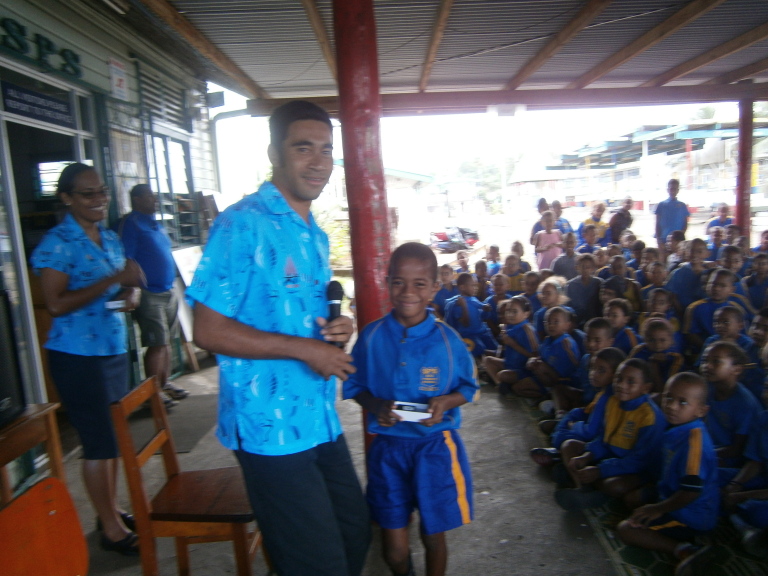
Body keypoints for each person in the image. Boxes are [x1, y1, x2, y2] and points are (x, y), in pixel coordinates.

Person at [186, 100, 370, 576]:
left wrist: (337, 326)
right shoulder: (240, 223)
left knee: (354, 534)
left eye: (326, 150)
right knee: (318, 562)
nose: (318, 161)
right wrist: (302, 348)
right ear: (275, 153)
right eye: (303, 147)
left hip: (317, 417)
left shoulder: (313, 231)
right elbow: (207, 329)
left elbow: (303, 313)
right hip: (269, 428)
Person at [30, 162, 144, 555]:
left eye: (103, 192)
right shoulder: (57, 243)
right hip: (77, 356)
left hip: (112, 349)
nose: (99, 200)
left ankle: (109, 510)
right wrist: (114, 281)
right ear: (66, 198)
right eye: (88, 194)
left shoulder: (110, 238)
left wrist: (131, 295)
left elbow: (128, 283)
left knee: (112, 439)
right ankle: (110, 530)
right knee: (98, 442)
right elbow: (56, 304)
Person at [343, 242, 477, 576]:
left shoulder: (448, 341)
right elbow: (355, 386)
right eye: (399, 282)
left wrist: (445, 401)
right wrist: (376, 405)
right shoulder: (371, 337)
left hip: (435, 449)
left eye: (420, 284)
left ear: (434, 288)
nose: (408, 292)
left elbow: (468, 387)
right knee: (395, 552)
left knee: (433, 538)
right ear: (387, 283)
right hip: (388, 451)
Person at [616, 373, 718, 576]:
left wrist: (658, 508)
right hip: (670, 493)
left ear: (701, 411)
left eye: (682, 402)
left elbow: (690, 492)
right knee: (631, 499)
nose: (672, 406)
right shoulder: (678, 427)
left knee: (626, 529)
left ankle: (685, 549)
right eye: (668, 398)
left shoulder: (694, 442)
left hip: (690, 514)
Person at [556, 358, 666, 510]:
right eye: (618, 378)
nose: (621, 385)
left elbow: (640, 460)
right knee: (569, 446)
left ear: (645, 388)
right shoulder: (613, 401)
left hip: (637, 468)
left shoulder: (649, 417)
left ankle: (584, 482)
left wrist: (600, 470)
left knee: (614, 486)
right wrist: (587, 456)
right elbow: (604, 438)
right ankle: (583, 487)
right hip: (610, 455)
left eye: (630, 382)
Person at [118, 183, 188, 405]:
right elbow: (126, 258)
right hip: (148, 293)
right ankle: (152, 394)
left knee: (167, 341)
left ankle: (164, 384)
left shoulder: (155, 224)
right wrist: (133, 287)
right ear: (136, 199)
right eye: (149, 196)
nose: (154, 200)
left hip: (167, 289)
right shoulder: (131, 224)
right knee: (156, 343)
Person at [700, 341, 761, 468]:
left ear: (737, 369)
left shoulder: (745, 404)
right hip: (708, 449)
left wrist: (704, 453)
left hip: (730, 461)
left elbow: (737, 449)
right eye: (705, 360)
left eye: (716, 361)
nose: (707, 366)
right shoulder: (707, 389)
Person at [483, 295, 539, 397]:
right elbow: (502, 350)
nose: (510, 315)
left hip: (522, 370)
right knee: (488, 360)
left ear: (526, 314)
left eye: (514, 312)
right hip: (509, 363)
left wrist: (513, 344)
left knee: (503, 375)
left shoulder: (527, 329)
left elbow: (535, 356)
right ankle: (501, 385)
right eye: (508, 311)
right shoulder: (510, 326)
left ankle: (505, 384)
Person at [655, 179, 690, 258]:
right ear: (667, 190)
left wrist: (680, 238)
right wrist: (659, 241)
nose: (673, 191)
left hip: (678, 241)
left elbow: (685, 224)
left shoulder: (682, 205)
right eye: (671, 188)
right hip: (663, 240)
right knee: (664, 260)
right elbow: (657, 224)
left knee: (677, 260)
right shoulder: (661, 205)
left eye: (675, 189)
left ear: (678, 190)